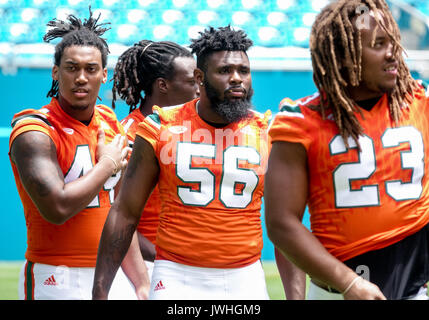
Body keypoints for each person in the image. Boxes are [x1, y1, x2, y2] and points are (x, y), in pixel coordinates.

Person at [93, 25, 272, 300]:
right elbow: (124, 211)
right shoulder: (158, 125)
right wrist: (101, 290)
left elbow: (284, 218)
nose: (236, 79)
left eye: (243, 71)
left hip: (244, 273)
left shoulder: (265, 128)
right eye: (225, 71)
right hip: (176, 272)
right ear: (199, 77)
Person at [265, 0, 429, 300]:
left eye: (392, 41)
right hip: (338, 294)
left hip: (413, 290)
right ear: (343, 57)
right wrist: (350, 283)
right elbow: (281, 222)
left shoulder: (419, 102)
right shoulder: (300, 121)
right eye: (378, 44)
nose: (393, 53)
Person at [8, 8, 149, 300]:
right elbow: (57, 209)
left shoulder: (109, 120)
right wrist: (107, 164)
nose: (81, 78)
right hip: (57, 275)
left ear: (104, 74)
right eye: (72, 68)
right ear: (55, 72)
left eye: (91, 69)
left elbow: (120, 210)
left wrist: (140, 281)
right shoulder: (33, 130)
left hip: (112, 274)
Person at [112, 40, 199, 277]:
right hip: (148, 266)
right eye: (192, 82)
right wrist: (166, 257)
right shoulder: (128, 135)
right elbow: (115, 217)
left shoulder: (192, 127)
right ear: (163, 85)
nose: (199, 89)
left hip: (186, 261)